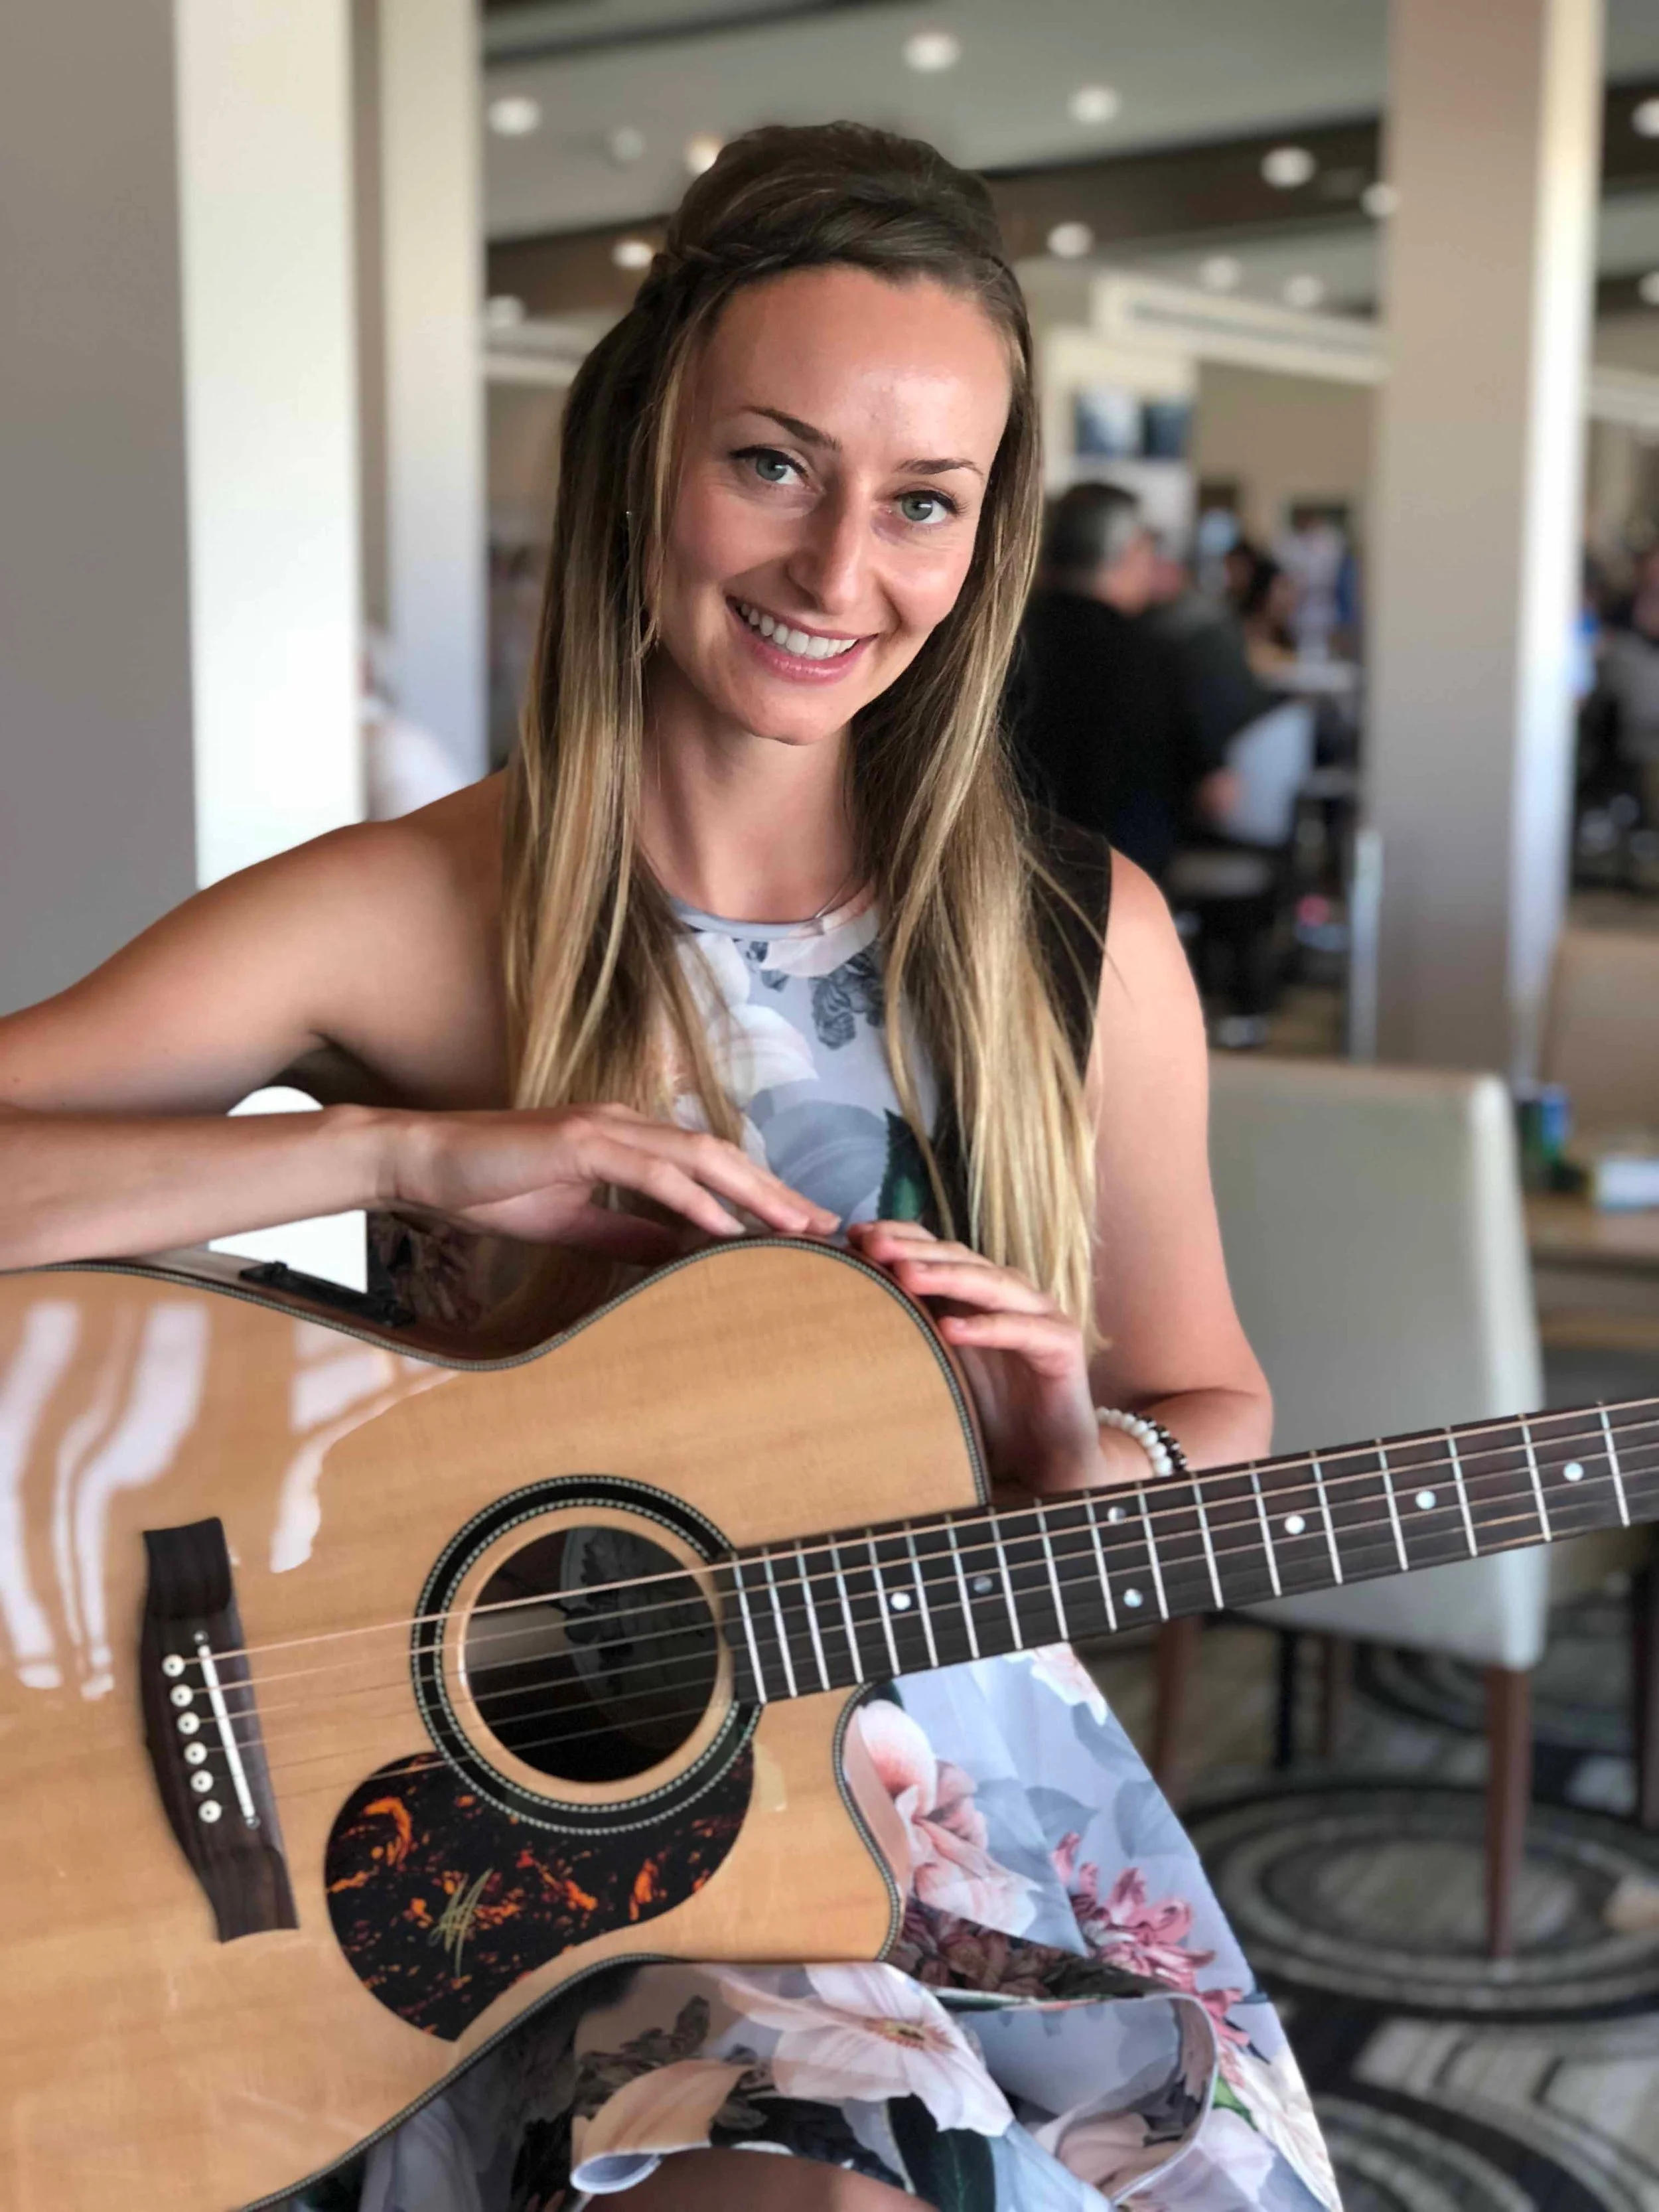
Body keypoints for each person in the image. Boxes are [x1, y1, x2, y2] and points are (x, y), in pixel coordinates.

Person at [0, 125, 1335, 2212]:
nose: (836, 572)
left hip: (961, 1805)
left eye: (921, 502)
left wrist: (1086, 1458)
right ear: (642, 453)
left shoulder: (1084, 938)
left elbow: (1211, 1398)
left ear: (983, 538)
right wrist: (406, 1141)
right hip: (504, 1828)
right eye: (772, 465)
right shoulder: (421, 906)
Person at [1010, 483, 1239, 881]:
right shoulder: (1155, 657)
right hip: (1123, 887)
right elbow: (1216, 794)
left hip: (1004, 876)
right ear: (1130, 552)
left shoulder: (999, 645)